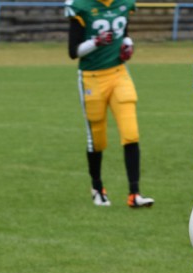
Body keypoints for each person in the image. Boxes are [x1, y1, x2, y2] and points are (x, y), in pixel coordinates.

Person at [65, 0, 154, 208]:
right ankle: (97, 187)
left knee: (131, 132)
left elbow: (124, 30)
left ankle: (135, 193)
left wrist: (128, 43)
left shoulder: (124, 3)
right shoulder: (81, 6)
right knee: (97, 139)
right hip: (91, 77)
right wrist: (96, 41)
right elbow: (73, 51)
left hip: (119, 73)